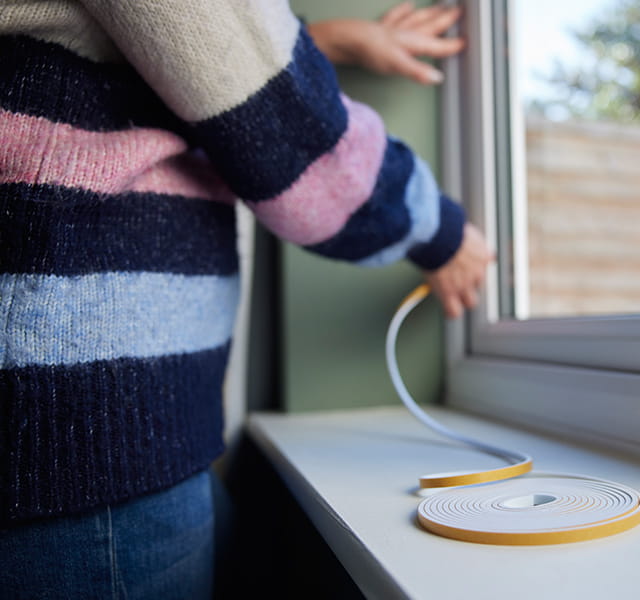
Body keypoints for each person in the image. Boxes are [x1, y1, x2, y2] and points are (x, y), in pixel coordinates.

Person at [0, 1, 490, 597]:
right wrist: (440, 231)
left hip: (76, 436)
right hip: (78, 440)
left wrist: (317, 42)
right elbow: (286, 124)